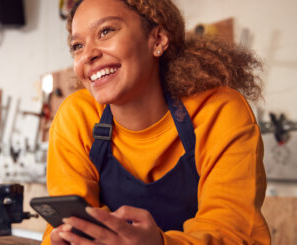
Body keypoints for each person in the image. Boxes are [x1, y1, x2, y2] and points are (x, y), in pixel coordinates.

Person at [43, 0, 270, 244]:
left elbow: (234, 233)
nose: (88, 55)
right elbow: (64, 224)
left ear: (158, 39)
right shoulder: (76, 117)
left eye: (106, 31)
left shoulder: (218, 111)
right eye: (77, 45)